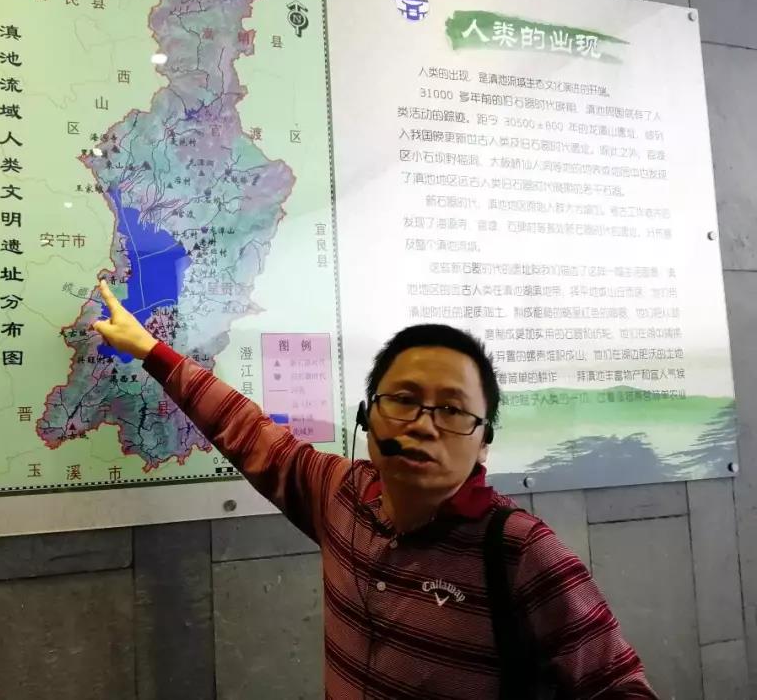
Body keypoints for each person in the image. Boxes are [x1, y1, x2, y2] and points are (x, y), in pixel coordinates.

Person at [93, 280, 657, 699]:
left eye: (453, 410)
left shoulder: (522, 553)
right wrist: (151, 350)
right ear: (369, 417)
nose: (424, 425)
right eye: (404, 400)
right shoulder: (339, 495)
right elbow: (248, 431)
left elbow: (619, 687)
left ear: (484, 442)